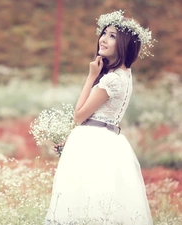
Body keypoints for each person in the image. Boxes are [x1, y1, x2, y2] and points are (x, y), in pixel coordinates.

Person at [45, 10, 154, 225]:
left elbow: (78, 115)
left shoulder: (112, 80)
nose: (103, 39)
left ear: (124, 44)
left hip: (93, 142)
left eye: (112, 36)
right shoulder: (126, 74)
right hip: (107, 138)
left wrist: (91, 76)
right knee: (98, 197)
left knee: (84, 198)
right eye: (104, 33)